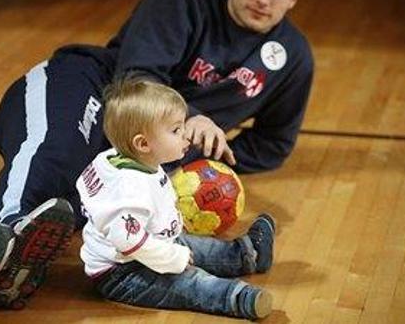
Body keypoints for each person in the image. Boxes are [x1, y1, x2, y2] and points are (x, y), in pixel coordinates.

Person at [0, 0, 312, 315]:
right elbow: (136, 78)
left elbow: (272, 144)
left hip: (131, 153)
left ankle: (5, 275)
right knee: (56, 154)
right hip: (83, 89)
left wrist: (196, 162)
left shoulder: (293, 57)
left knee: (81, 204)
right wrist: (193, 117)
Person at [78, 78, 276, 321]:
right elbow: (128, 241)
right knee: (188, 282)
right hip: (122, 272)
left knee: (201, 248)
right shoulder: (129, 189)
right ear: (143, 143)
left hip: (154, 243)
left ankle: (248, 253)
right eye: (176, 130)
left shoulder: (122, 157)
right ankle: (236, 298)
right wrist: (174, 258)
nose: (186, 136)